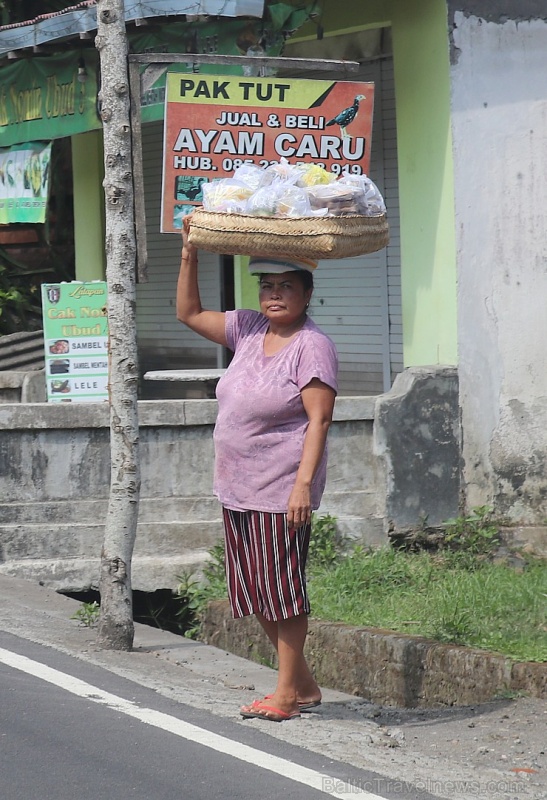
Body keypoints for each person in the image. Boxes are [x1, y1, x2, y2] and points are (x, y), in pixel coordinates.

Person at [176, 215, 338, 723]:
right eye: (267, 285)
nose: (274, 295)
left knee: (283, 591)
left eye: (286, 286)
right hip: (237, 487)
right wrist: (189, 253)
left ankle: (286, 694)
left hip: (279, 489)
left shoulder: (312, 346)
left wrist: (302, 488)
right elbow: (189, 312)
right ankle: (304, 684)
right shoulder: (247, 328)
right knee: (255, 589)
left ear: (307, 293)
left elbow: (320, 419)